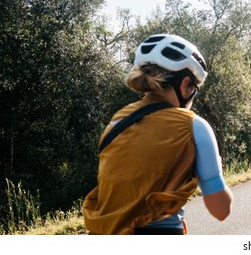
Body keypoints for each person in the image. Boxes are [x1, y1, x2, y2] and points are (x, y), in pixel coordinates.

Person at [82, 34, 233, 235]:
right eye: (195, 90)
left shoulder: (116, 122)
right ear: (185, 84)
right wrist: (216, 173)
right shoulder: (194, 125)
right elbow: (221, 210)